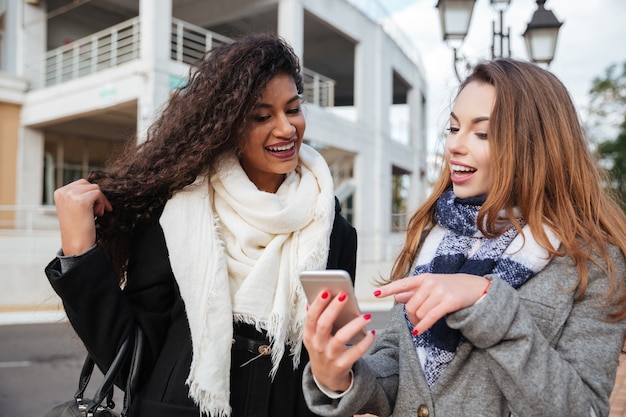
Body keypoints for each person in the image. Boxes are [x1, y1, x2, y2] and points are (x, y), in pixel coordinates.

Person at [45, 32, 357, 417]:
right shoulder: (176, 214)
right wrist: (80, 253)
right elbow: (130, 361)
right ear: (227, 125)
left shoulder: (332, 229)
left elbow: (333, 362)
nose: (286, 129)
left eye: (292, 109)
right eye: (262, 116)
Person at [301, 58, 626, 417]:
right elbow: (399, 369)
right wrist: (341, 377)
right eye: (454, 128)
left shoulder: (593, 261)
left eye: (482, 133)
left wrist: (486, 304)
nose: (455, 145)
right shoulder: (432, 234)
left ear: (535, 146)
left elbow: (582, 410)